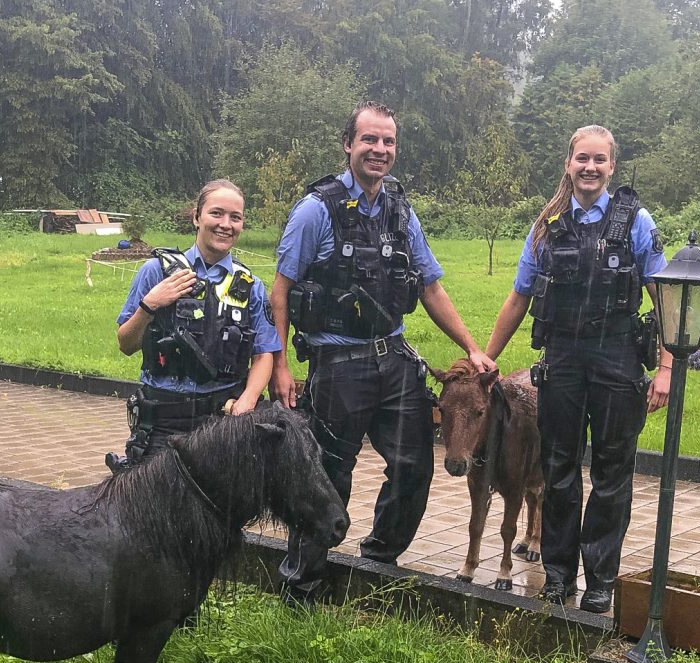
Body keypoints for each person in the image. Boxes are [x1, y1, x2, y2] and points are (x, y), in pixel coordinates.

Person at [270, 100, 495, 601]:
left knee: (414, 465)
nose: (379, 149)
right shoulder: (317, 210)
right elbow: (280, 292)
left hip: (393, 358)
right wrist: (280, 366)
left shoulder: (399, 211)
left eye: (388, 141)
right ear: (348, 144)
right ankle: (302, 585)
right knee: (329, 474)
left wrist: (471, 348)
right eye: (369, 139)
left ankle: (376, 562)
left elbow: (432, 287)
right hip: (337, 365)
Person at [484, 125, 670, 614]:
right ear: (568, 164)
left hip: (617, 359)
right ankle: (558, 574)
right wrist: (488, 357)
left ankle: (601, 580)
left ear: (612, 167)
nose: (590, 168)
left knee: (612, 474)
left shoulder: (636, 222)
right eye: (581, 159)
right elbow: (519, 296)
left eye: (599, 160)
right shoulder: (547, 224)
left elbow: (664, 297)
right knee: (559, 470)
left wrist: (667, 368)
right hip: (562, 360)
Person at [112, 180, 280, 467]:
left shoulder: (250, 286)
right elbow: (126, 344)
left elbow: (264, 353)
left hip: (222, 420)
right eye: (216, 213)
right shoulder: (156, 272)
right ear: (196, 217)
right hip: (163, 422)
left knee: (223, 511)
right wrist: (150, 305)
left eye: (235, 217)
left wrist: (248, 401)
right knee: (155, 510)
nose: (225, 224)